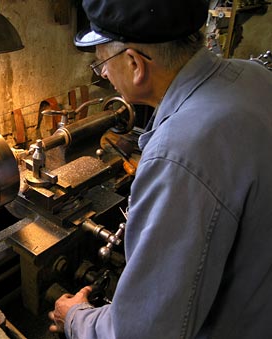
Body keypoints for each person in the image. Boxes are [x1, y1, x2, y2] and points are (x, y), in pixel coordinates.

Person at [49, 0, 272, 338]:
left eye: (102, 64)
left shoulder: (178, 155)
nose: (104, 74)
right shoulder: (253, 76)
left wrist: (75, 318)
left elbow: (142, 331)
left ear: (136, 64)